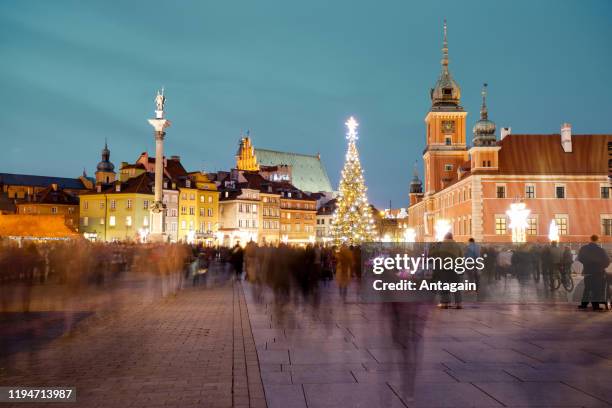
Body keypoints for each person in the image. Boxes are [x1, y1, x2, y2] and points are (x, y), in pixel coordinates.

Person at [431, 232, 463, 309]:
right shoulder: (457, 245)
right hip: (455, 268)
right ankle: (458, 303)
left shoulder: (440, 245)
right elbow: (461, 257)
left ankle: (445, 303)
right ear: (452, 237)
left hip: (444, 268)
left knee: (444, 286)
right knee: (456, 286)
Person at [577, 235, 610, 311]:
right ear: (597, 240)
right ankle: (595, 306)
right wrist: (601, 267)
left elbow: (580, 258)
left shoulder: (583, 248)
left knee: (587, 287)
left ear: (590, 239)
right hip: (598, 272)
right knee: (596, 289)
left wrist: (587, 264)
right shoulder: (601, 250)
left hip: (587, 271)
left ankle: (584, 304)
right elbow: (607, 261)